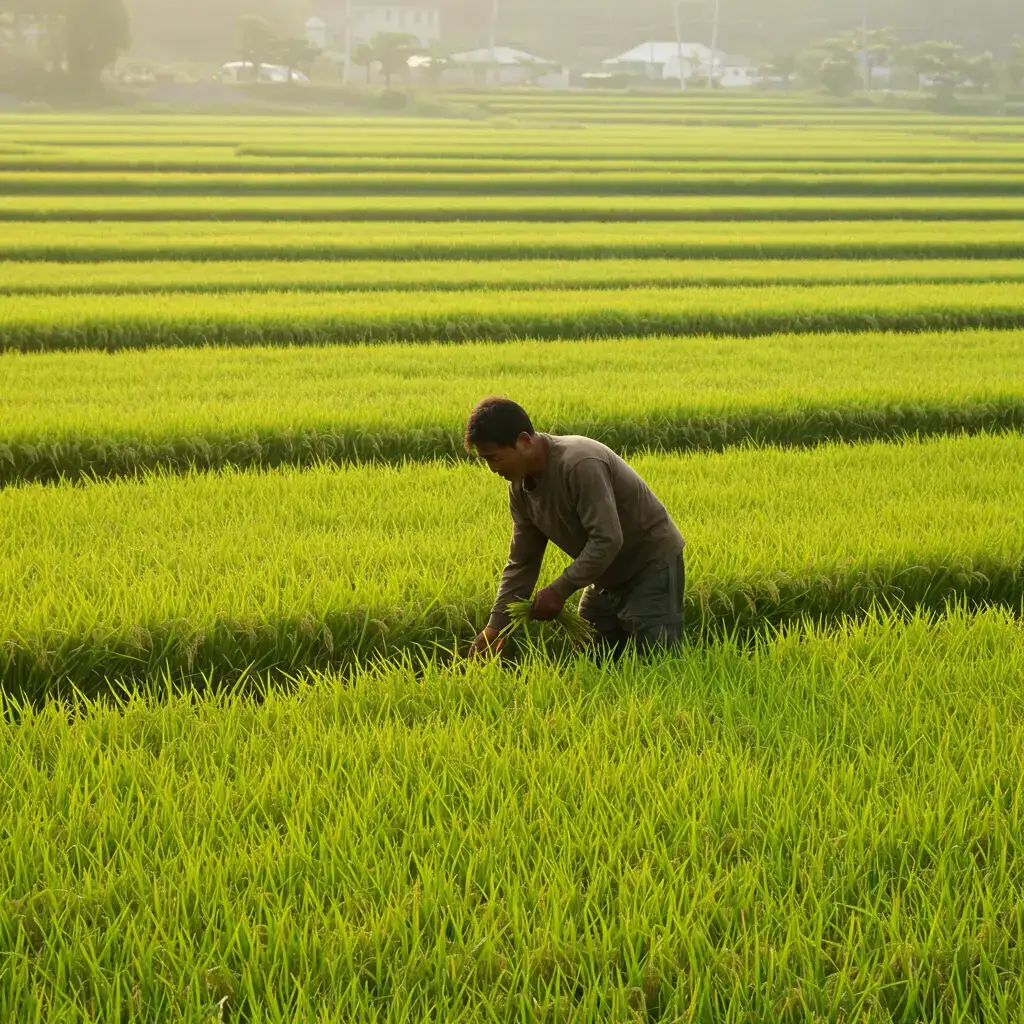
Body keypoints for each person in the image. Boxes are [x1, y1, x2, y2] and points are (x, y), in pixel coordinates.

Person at [466, 397, 685, 659]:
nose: (492, 469)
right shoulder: (520, 488)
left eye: (495, 458)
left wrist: (559, 590)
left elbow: (607, 539)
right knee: (589, 656)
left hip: (649, 565)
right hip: (604, 574)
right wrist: (494, 629)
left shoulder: (579, 464)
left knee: (656, 660)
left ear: (524, 442)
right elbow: (522, 562)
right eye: (486, 460)